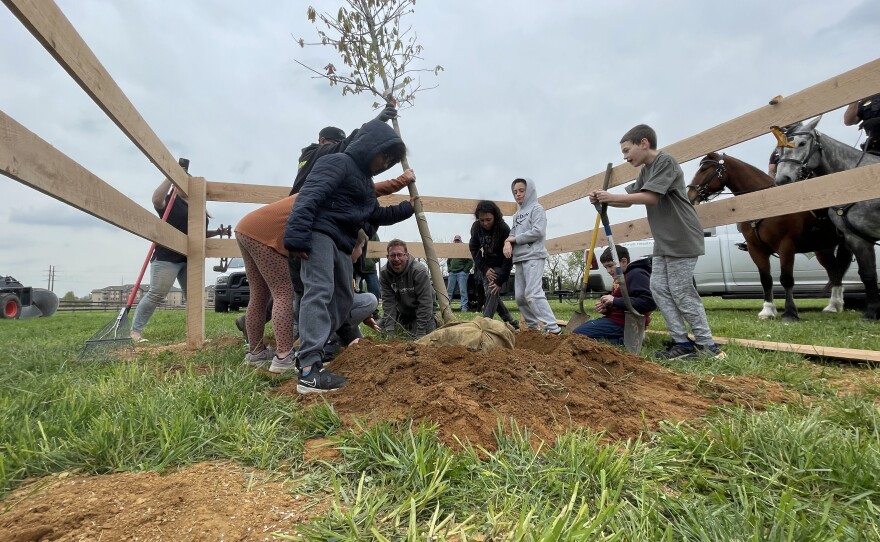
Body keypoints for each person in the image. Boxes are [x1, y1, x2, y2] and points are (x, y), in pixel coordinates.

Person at [285, 119, 415, 393]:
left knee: (343, 300)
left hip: (342, 244)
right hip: (320, 234)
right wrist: (297, 234)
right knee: (319, 291)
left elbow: (374, 214)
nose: (385, 162)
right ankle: (309, 370)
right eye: (384, 155)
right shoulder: (339, 162)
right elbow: (309, 195)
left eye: (391, 160)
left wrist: (407, 208)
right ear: (370, 145)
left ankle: (316, 348)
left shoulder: (366, 184)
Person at [590, 124, 725, 360]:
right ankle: (681, 343)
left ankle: (708, 346)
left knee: (681, 291)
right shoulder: (646, 171)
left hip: (681, 235)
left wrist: (611, 197)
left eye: (626, 150)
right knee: (659, 289)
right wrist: (605, 201)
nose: (624, 156)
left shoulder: (666, 162)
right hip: (664, 240)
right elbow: (631, 200)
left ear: (644, 143)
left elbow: (651, 197)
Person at [130, 177, 222, 342]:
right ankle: (135, 332)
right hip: (167, 256)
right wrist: (170, 177)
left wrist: (215, 233)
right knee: (157, 293)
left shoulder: (197, 205)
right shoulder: (171, 201)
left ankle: (195, 336)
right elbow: (156, 200)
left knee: (194, 296)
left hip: (190, 259)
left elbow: (196, 232)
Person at [290, 104, 398, 196]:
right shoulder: (314, 153)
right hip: (301, 208)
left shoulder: (324, 164)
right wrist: (377, 122)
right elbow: (345, 145)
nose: (339, 147)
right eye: (335, 142)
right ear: (322, 141)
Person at [503, 178, 561, 335]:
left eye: (521, 191)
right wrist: (507, 243)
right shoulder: (517, 215)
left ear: (529, 191)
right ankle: (533, 329)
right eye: (515, 192)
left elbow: (538, 231)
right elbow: (512, 234)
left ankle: (553, 329)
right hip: (519, 258)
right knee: (521, 297)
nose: (518, 194)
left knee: (533, 294)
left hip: (534, 255)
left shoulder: (537, 209)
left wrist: (513, 240)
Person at [572, 245, 655, 344]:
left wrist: (614, 300)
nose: (608, 271)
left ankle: (627, 340)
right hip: (616, 320)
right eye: (605, 267)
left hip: (625, 324)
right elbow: (622, 305)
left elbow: (649, 302)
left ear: (623, 261)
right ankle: (628, 338)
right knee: (577, 334)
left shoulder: (637, 274)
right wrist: (607, 308)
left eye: (610, 266)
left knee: (577, 336)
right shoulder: (620, 278)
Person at [468, 200, 518, 329]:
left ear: (495, 216)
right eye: (482, 220)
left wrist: (500, 280)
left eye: (488, 220)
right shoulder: (476, 227)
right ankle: (511, 322)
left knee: (492, 290)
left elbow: (509, 257)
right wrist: (484, 269)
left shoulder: (503, 228)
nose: (485, 223)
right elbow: (474, 248)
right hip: (487, 265)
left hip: (501, 265)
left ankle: (484, 324)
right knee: (492, 294)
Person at [379, 239, 437, 339]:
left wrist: (420, 331)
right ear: (387, 257)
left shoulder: (419, 271)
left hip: (421, 311)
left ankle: (434, 321)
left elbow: (425, 302)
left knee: (417, 338)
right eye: (392, 255)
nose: (396, 259)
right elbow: (388, 303)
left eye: (400, 255)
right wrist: (390, 331)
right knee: (379, 328)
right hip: (401, 312)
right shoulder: (384, 274)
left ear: (407, 255)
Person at [445, 234, 473, 312]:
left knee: (463, 291)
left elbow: (470, 262)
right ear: (454, 241)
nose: (457, 242)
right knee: (449, 291)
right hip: (452, 274)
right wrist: (449, 270)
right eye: (456, 240)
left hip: (462, 273)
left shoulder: (464, 249)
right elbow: (448, 262)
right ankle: (447, 308)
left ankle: (464, 307)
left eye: (458, 240)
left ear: (460, 241)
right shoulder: (452, 250)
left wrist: (465, 270)